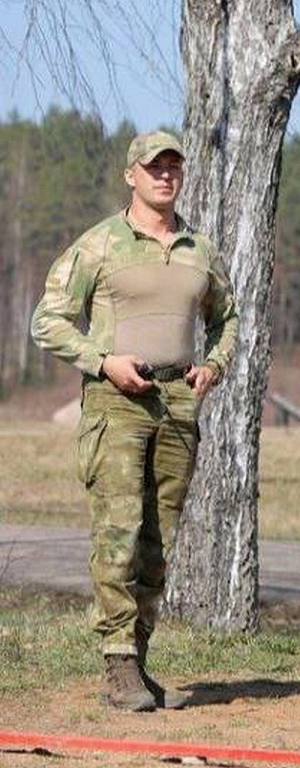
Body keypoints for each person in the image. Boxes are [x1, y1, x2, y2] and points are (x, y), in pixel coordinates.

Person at [30, 130, 238, 712]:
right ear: (131, 175)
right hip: (116, 402)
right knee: (118, 533)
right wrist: (103, 362)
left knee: (157, 543)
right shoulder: (99, 244)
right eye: (154, 167)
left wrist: (213, 366)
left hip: (177, 403)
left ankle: (139, 663)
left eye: (173, 167)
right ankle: (117, 664)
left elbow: (228, 318)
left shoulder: (199, 249)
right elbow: (48, 321)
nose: (165, 176)